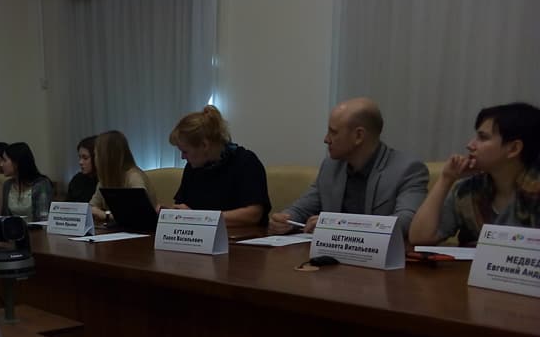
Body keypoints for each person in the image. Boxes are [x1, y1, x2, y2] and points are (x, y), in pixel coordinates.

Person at [269, 97, 428, 236]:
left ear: (358, 136)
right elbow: (303, 209)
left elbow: (406, 222)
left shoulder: (408, 170)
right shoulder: (331, 166)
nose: (326, 139)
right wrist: (286, 219)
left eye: (333, 132)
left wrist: (339, 226)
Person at [410, 102, 540, 247]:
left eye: (483, 138)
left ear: (514, 148)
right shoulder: (469, 190)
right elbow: (419, 237)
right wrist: (446, 179)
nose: (470, 145)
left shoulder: (535, 192)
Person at [169, 105, 271, 226]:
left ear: (204, 145)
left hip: (242, 235)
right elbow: (182, 207)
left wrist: (198, 217)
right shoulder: (193, 167)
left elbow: (254, 214)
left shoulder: (245, 162)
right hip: (201, 234)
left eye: (185, 151)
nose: (182, 157)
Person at [89, 131, 156, 224]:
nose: (95, 159)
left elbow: (139, 215)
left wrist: (105, 215)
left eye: (96, 154)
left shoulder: (134, 177)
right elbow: (92, 207)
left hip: (142, 231)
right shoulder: (105, 180)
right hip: (118, 229)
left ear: (106, 157)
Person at [0, 142, 54, 221]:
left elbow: (44, 218)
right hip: (13, 228)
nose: (1, 164)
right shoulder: (7, 185)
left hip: (36, 228)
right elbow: (5, 216)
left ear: (16, 162)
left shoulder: (41, 184)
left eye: (4, 160)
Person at [66, 136, 98, 203]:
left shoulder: (104, 182)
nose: (80, 162)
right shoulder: (77, 179)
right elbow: (67, 204)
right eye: (80, 157)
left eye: (85, 158)